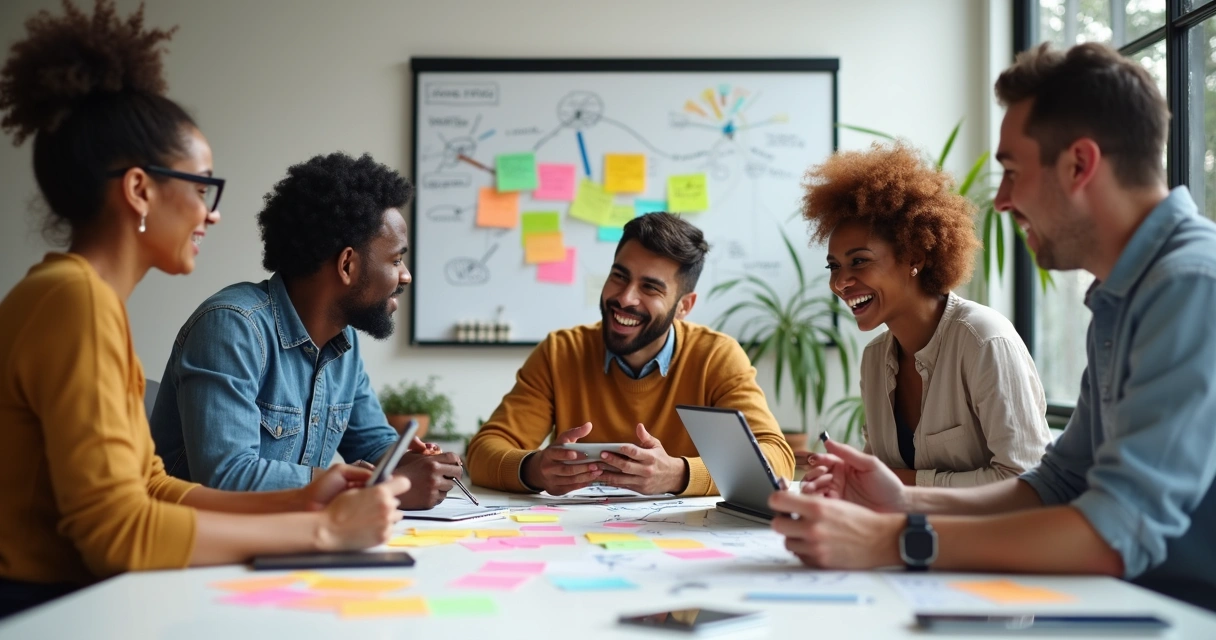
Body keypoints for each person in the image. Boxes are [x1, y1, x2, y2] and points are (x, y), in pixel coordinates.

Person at [770, 42, 1216, 612]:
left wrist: (890, 538)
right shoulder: (1122, 296)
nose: (1000, 201)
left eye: (1011, 171)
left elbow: (1114, 532)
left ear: (1079, 165)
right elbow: (1055, 485)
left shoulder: (1189, 285)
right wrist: (901, 500)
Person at [0, 0, 407, 618]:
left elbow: (151, 488)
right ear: (140, 189)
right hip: (43, 609)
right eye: (201, 188)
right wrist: (322, 532)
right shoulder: (74, 301)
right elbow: (120, 535)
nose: (211, 213)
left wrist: (299, 499)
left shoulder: (82, 297)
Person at [149, 152, 461, 509]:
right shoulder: (232, 327)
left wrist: (415, 463)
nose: (405, 275)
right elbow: (226, 475)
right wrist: (368, 486)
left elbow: (373, 445)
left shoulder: (344, 342)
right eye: (395, 260)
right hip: (197, 551)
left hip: (283, 540)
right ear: (347, 264)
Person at [466, 212, 795, 496]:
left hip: (686, 541)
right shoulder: (560, 352)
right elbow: (482, 452)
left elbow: (776, 460)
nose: (625, 298)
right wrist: (535, 468)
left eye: (650, 288)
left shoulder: (715, 357)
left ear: (684, 306)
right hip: (570, 539)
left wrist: (678, 474)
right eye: (619, 276)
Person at [800, 142, 1051, 486]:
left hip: (989, 540)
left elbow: (1025, 479)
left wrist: (907, 483)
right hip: (909, 537)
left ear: (914, 257)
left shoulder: (983, 340)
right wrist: (845, 480)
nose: (841, 281)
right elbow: (880, 481)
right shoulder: (875, 359)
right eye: (834, 266)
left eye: (859, 261)